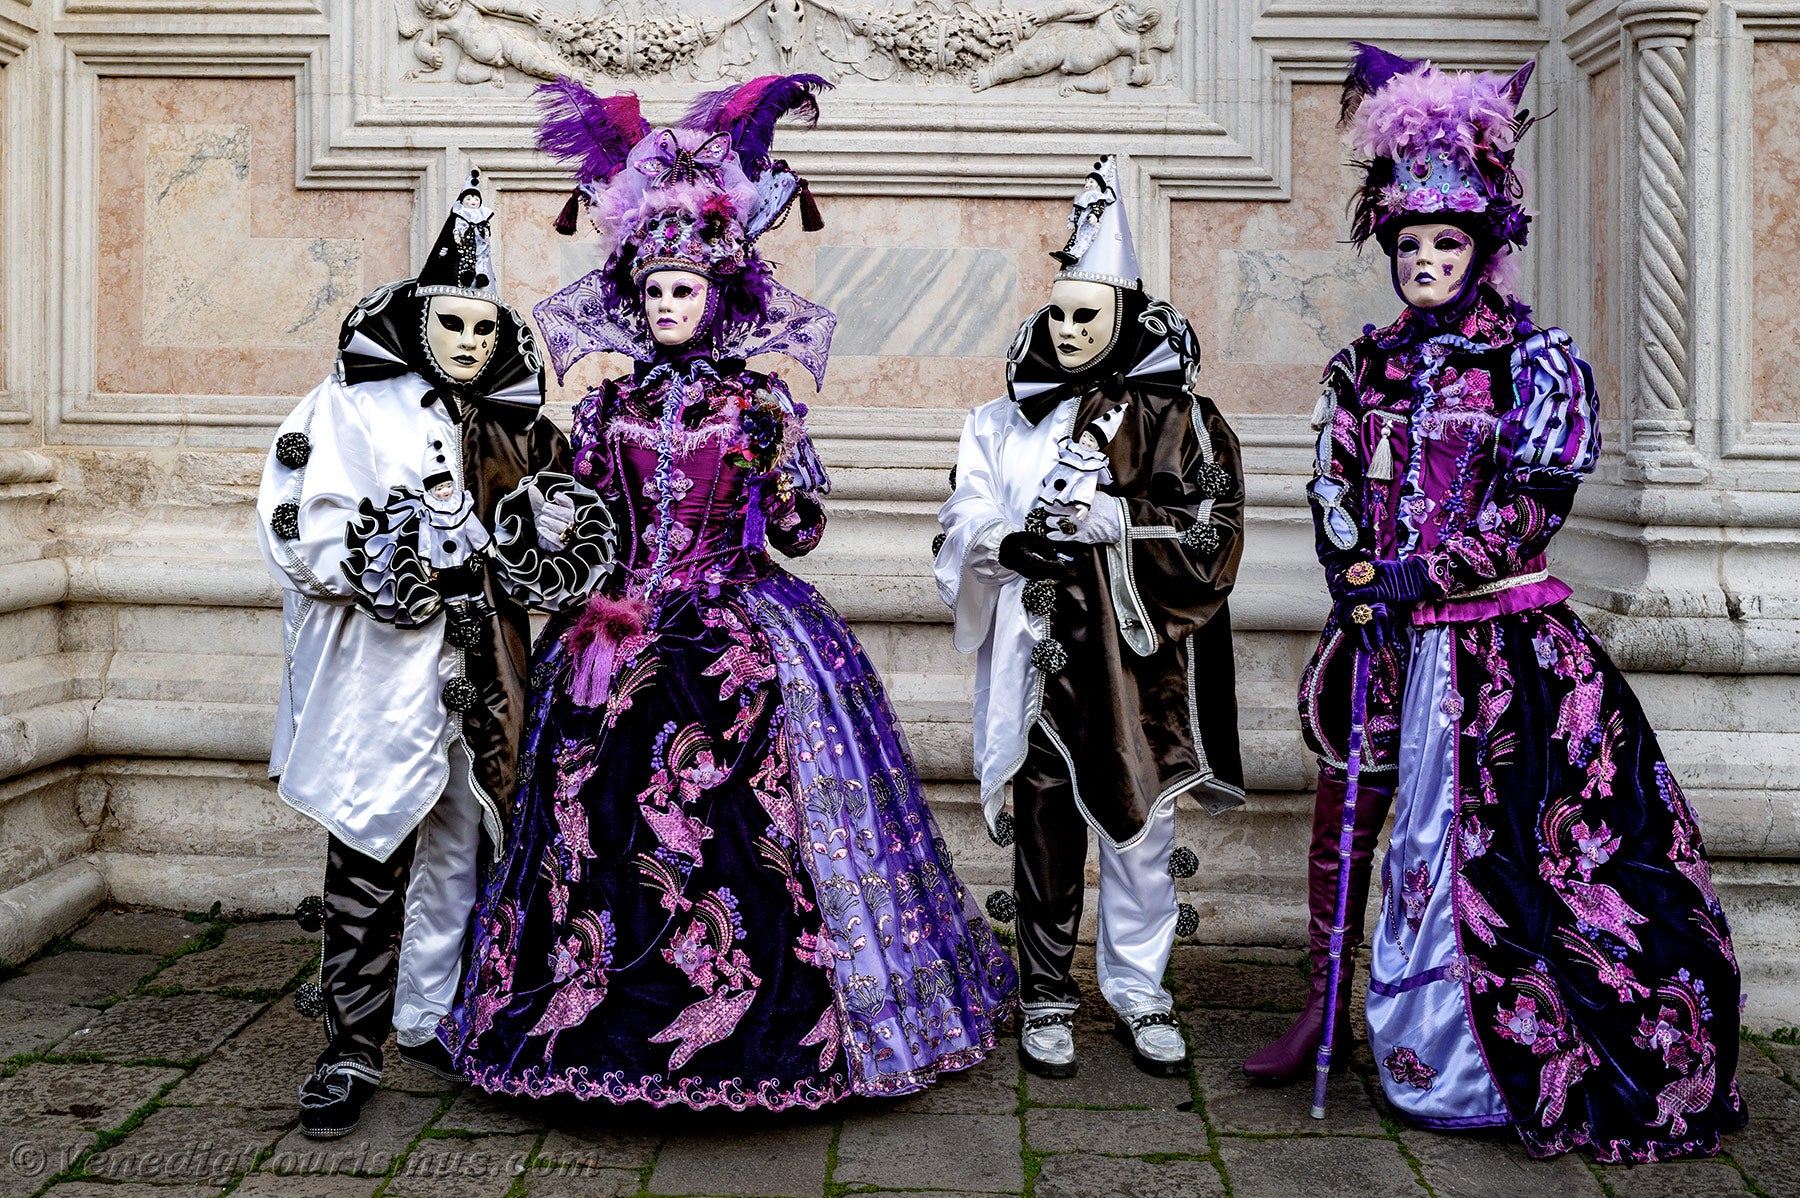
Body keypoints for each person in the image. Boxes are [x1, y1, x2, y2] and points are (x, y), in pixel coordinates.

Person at [437, 75, 1018, 1109]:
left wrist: (778, 481)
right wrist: (560, 544)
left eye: (686, 290)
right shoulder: (604, 405)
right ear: (634, 294)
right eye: (655, 290)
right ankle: (591, 1015)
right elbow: (587, 521)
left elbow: (798, 534)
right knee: (596, 818)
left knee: (758, 826)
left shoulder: (759, 404)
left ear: (722, 296)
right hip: (619, 630)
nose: (668, 305)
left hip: (740, 626)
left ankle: (788, 1017)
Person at [1245, 43, 1746, 1161]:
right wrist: (1353, 574)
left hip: (1498, 648)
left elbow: (1532, 503)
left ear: (1484, 247)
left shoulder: (1533, 362)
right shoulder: (1361, 367)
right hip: (1378, 634)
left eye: (1445, 243)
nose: (1424, 260)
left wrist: (1425, 574)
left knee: (1502, 844)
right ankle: (1323, 1009)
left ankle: (1487, 1044)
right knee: (1345, 815)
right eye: (1408, 244)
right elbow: (1331, 480)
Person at [257, 173, 611, 1138]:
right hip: (386, 667)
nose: (469, 342)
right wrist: (391, 560)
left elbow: (565, 530)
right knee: (372, 838)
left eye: (485, 328)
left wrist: (543, 550)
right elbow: (300, 522)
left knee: (467, 834)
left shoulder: (517, 429)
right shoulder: (348, 410)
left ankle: (428, 1012)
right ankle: (349, 1043)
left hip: (489, 665)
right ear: (417, 322)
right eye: (451, 323)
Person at [936, 157, 1245, 1081]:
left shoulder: (1182, 421)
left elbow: (1215, 528)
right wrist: (1002, 542)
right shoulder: (1001, 421)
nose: (1068, 332)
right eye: (1059, 316)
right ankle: (1044, 993)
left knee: (1140, 829)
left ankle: (1142, 991)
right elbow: (964, 508)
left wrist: (1123, 523)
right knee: (1043, 824)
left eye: (1087, 317)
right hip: (1036, 659)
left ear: (1124, 320)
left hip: (1133, 666)